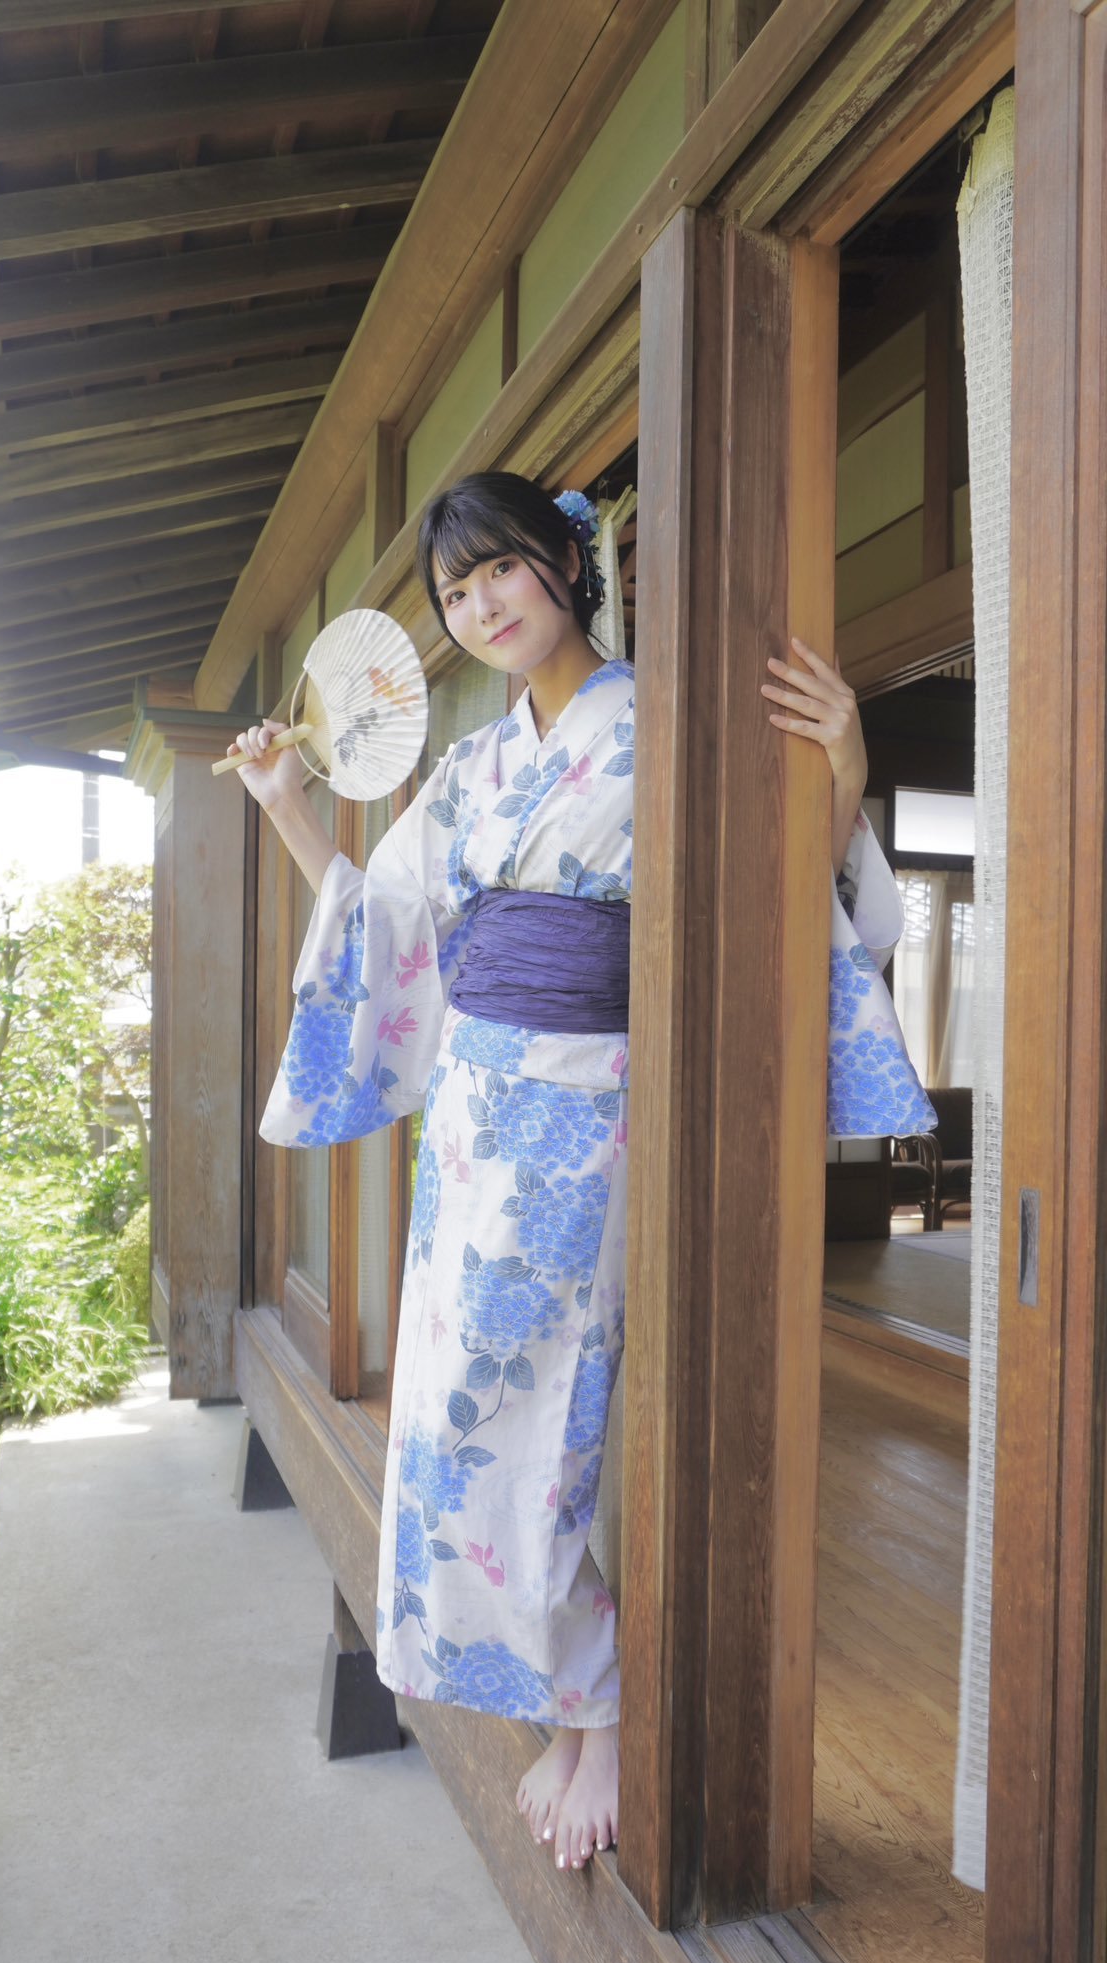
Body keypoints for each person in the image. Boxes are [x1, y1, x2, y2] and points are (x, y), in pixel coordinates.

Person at [226, 469, 934, 1878]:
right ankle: (573, 1693)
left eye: (501, 567)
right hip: (472, 1124)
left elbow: (786, 877)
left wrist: (847, 763)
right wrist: (287, 804)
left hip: (597, 1110)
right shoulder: (474, 770)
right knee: (447, 1418)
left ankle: (596, 1703)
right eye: (455, 591)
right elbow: (390, 929)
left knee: (541, 1416)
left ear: (567, 557)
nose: (482, 604)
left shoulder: (670, 730)